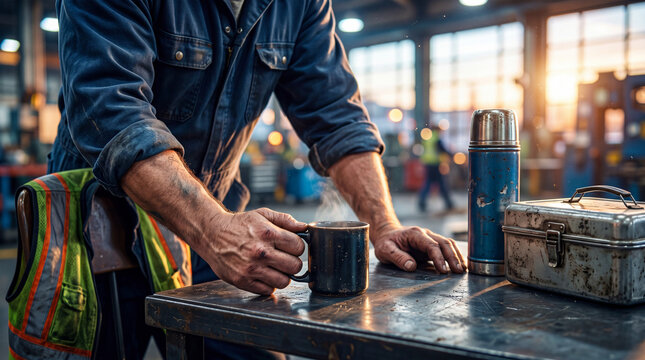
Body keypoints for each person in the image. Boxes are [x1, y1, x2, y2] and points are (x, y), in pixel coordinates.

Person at [42, 0, 465, 358]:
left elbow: (337, 118)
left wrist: (385, 225)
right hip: (94, 229)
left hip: (212, 221)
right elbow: (113, 114)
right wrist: (213, 229)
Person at [418, 126, 455, 212]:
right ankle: (449, 203)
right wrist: (452, 155)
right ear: (437, 130)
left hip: (428, 164)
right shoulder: (436, 139)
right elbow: (442, 150)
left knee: (428, 184)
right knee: (442, 184)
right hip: (436, 164)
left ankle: (421, 202)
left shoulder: (428, 139)